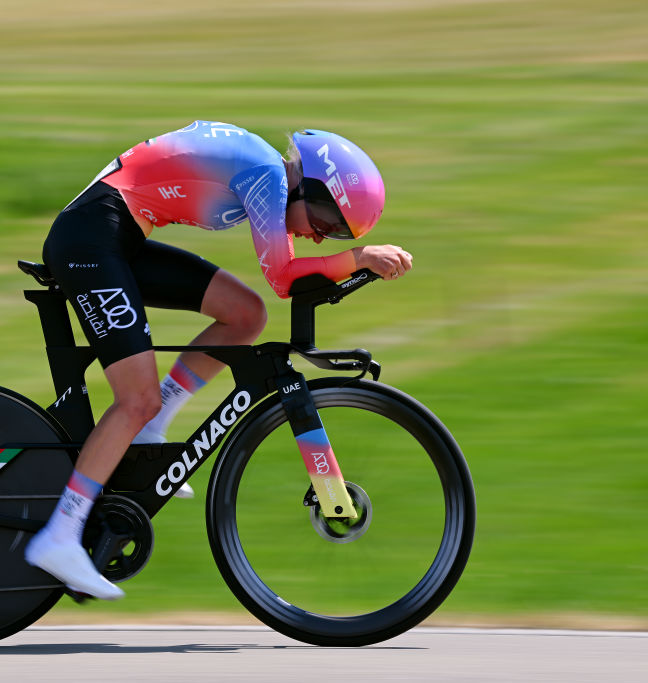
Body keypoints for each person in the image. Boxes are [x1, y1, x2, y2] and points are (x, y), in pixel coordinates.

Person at [24, 121, 412, 599]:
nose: (319, 239)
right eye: (327, 225)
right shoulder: (267, 176)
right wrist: (357, 258)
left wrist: (350, 258)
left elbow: (279, 282)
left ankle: (154, 424)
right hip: (91, 240)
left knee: (244, 315)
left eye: (333, 235)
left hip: (117, 236)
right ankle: (60, 535)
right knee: (134, 398)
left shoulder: (268, 172)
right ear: (308, 187)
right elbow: (284, 276)